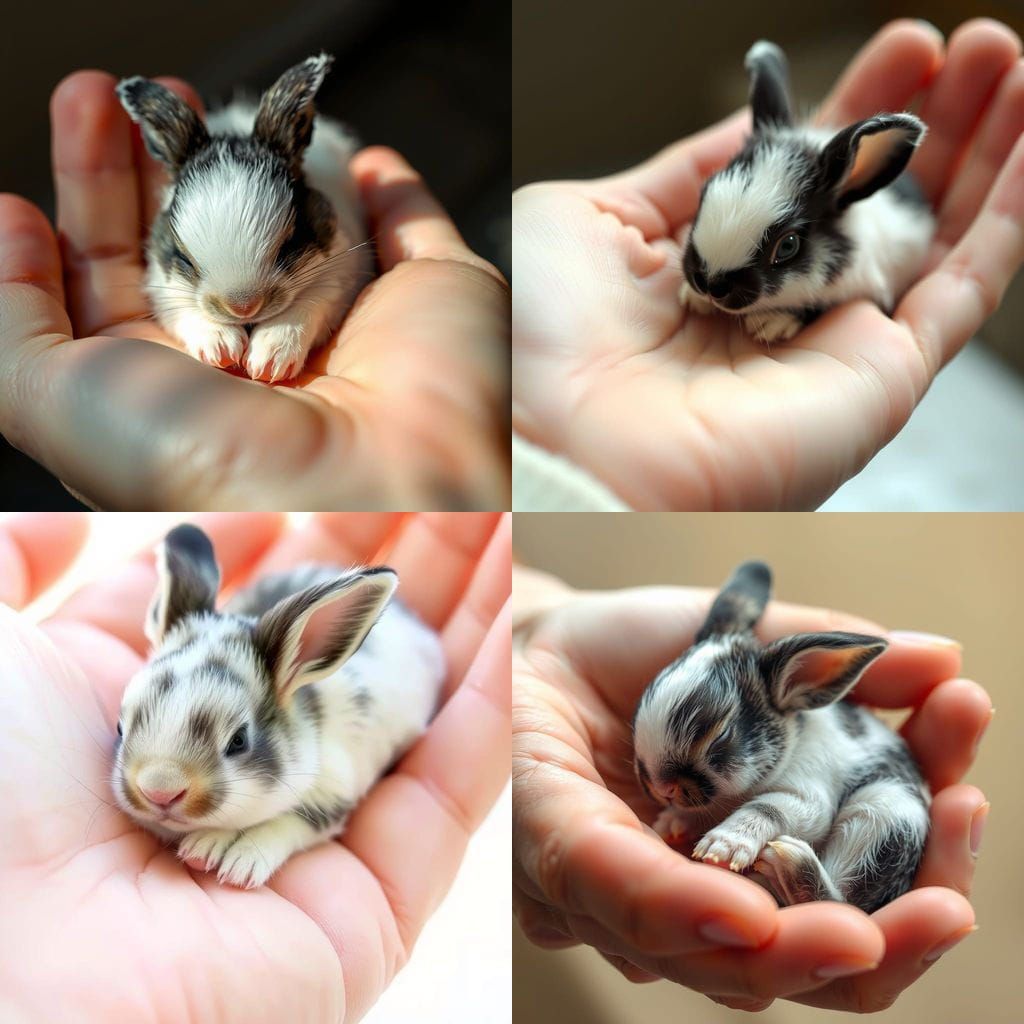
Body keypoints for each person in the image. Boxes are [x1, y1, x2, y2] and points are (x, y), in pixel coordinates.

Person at [0, 511, 511, 1023]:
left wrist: (270, 839)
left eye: (235, 742)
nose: (156, 790)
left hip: (388, 655)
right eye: (127, 729)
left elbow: (330, 802)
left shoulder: (323, 746)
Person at [512, 19, 1024, 510]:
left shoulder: (857, 251)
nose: (711, 284)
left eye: (782, 249)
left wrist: (799, 314)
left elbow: (857, 282)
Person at [0, 72, 510, 510]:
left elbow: (340, 276)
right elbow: (163, 286)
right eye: (191, 266)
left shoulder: (328, 226)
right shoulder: (169, 243)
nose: (242, 307)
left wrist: (299, 320)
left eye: (284, 248)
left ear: (305, 217)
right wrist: (195, 323)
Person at [512, 562, 991, 1012]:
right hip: (790, 843)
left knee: (891, 811)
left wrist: (745, 830)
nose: (661, 788)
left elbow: (812, 809)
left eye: (714, 742)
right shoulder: (724, 754)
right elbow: (731, 798)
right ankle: (793, 885)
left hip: (861, 821)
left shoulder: (803, 735)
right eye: (645, 765)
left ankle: (825, 895)